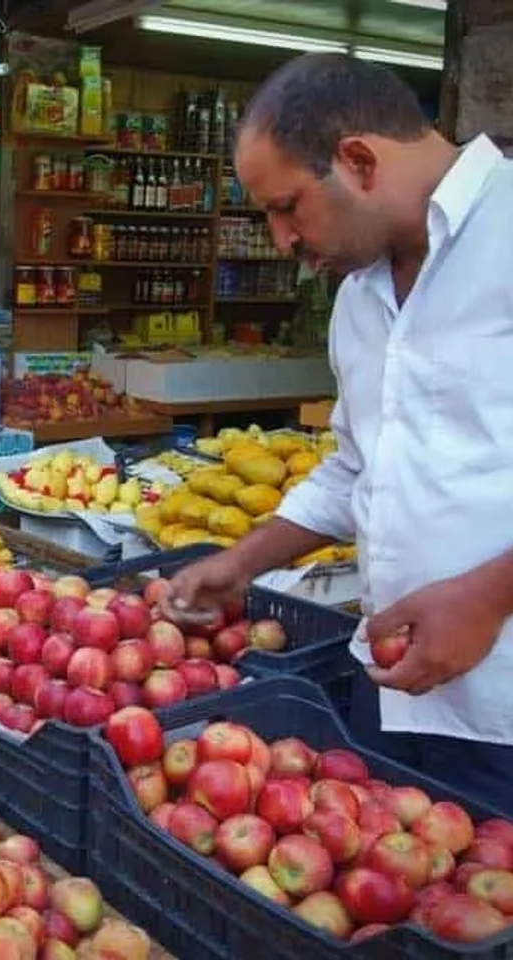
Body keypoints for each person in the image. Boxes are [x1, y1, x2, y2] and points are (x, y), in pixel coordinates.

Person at [161, 52, 513, 815]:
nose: (281, 239)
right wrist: (243, 563)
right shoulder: (359, 298)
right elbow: (358, 469)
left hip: (503, 713)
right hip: (389, 692)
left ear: (358, 161)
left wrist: (490, 595)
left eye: (287, 207)